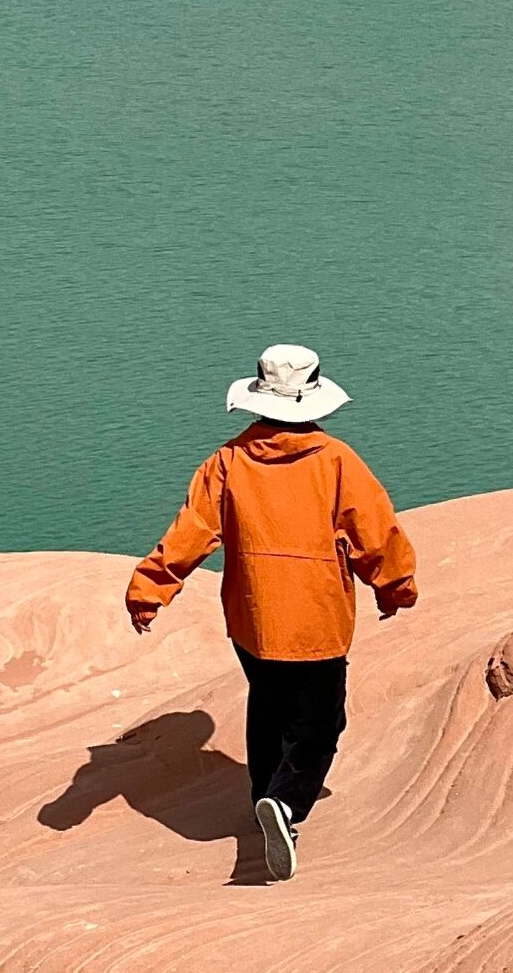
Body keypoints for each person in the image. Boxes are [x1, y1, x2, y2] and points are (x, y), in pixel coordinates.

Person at [125, 343, 417, 882]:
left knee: (268, 708)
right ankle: (283, 805)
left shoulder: (227, 463)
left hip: (253, 617)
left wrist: (149, 588)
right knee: (319, 724)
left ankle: (265, 798)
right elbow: (375, 533)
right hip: (316, 619)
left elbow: (190, 534)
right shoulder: (336, 462)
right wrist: (394, 589)